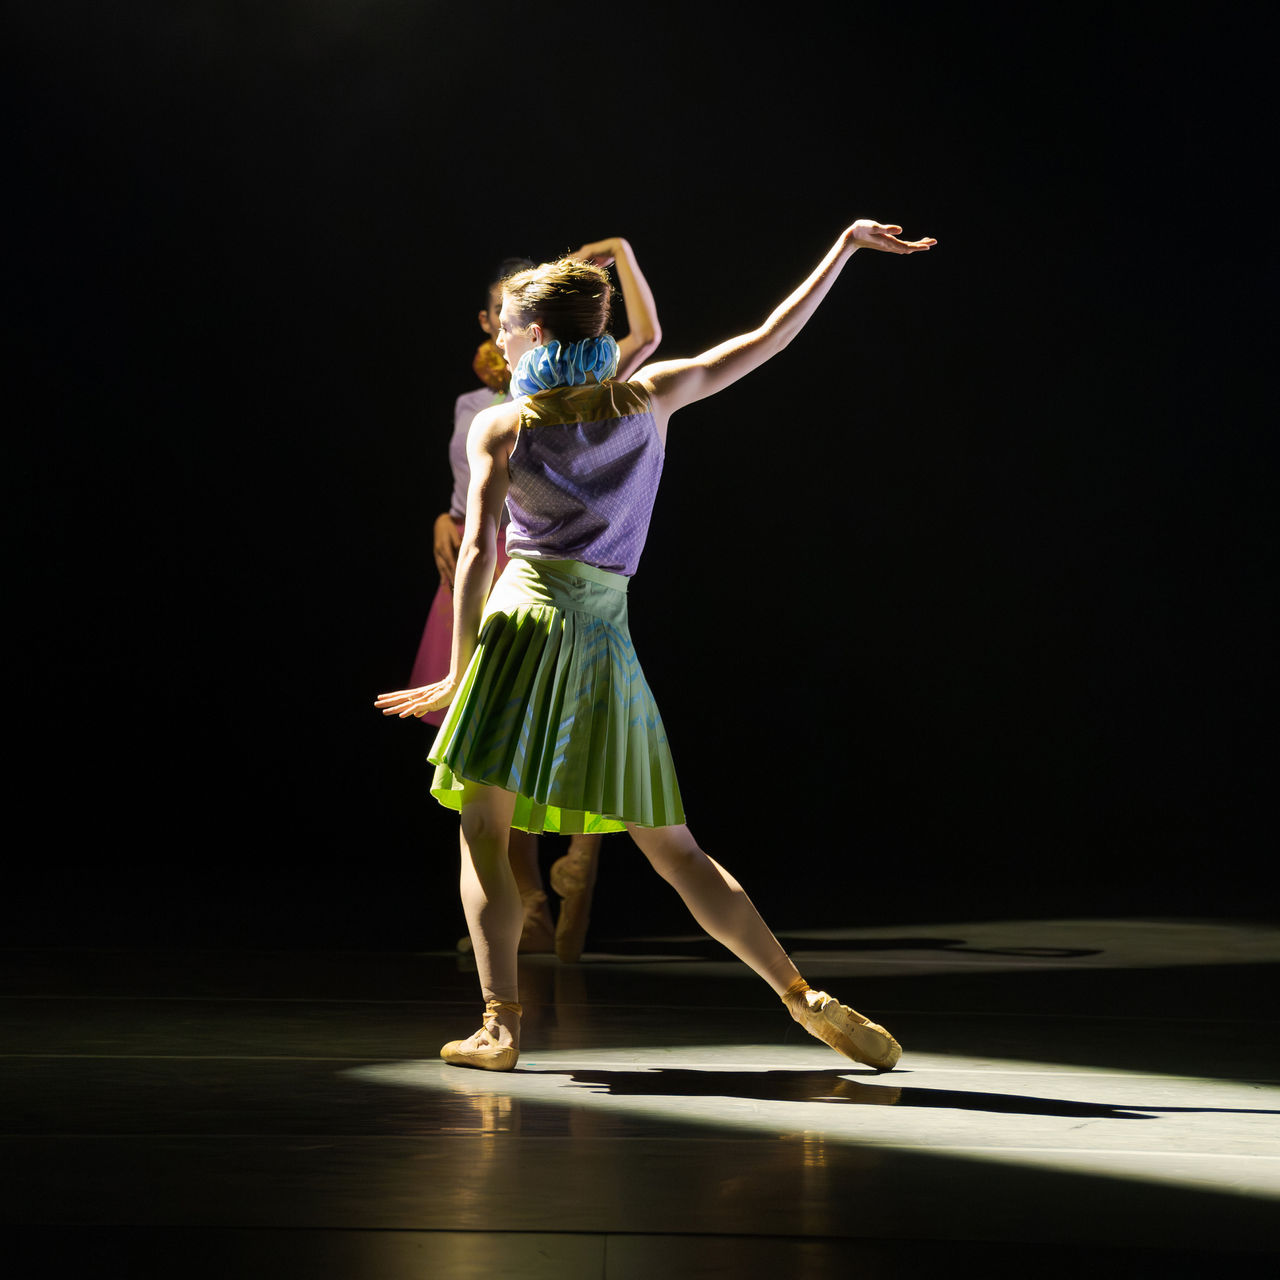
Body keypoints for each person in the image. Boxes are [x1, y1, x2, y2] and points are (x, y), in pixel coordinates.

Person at [377, 217, 936, 1072]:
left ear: (531, 334)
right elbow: (767, 336)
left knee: (485, 831)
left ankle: (500, 1025)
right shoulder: (652, 395)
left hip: (521, 629)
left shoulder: (505, 426)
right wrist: (844, 250)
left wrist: (457, 672)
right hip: (604, 637)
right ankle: (801, 995)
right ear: (598, 330)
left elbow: (479, 555)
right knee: (675, 849)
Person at [408, 238, 661, 962]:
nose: (500, 324)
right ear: (489, 319)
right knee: (495, 757)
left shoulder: (578, 396)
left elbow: (647, 342)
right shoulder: (478, 405)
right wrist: (445, 517)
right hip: (484, 562)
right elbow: (468, 493)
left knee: (573, 726)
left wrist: (618, 252)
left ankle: (577, 857)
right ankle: (528, 904)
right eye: (494, 311)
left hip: (546, 570)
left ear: (533, 326)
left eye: (511, 312)